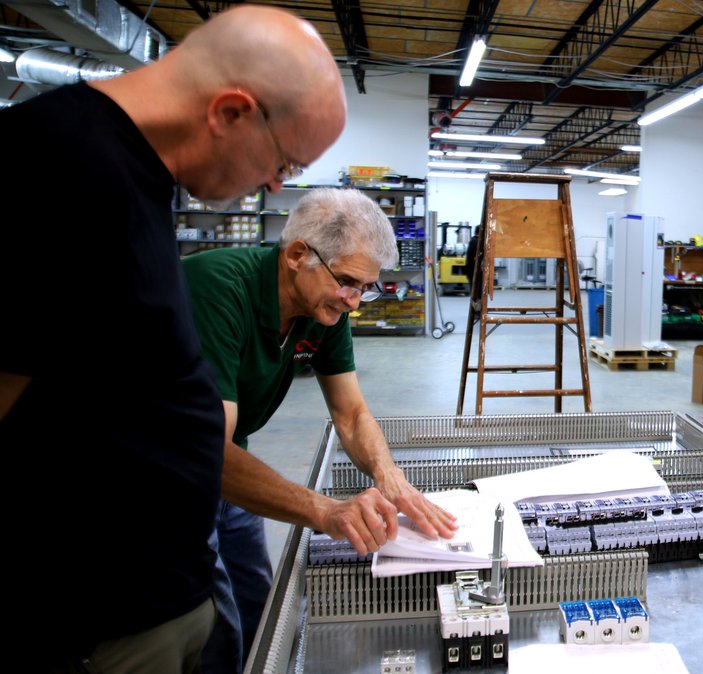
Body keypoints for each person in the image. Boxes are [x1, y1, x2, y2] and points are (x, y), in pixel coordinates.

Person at [0, 6, 346, 672]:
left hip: (168, 590)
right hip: (95, 617)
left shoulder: (139, 178)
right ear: (231, 112)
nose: (277, 185)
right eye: (284, 162)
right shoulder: (55, 164)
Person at [182, 188, 459, 669]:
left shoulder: (324, 309)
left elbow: (351, 414)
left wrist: (389, 475)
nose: (355, 302)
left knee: (258, 603)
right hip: (169, 472)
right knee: (213, 623)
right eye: (348, 282)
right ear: (297, 255)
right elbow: (207, 452)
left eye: (365, 288)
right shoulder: (217, 289)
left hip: (231, 460)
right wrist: (326, 511)